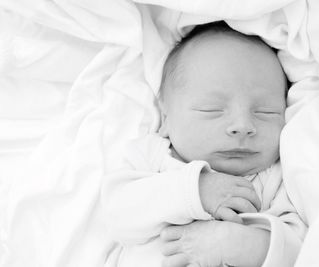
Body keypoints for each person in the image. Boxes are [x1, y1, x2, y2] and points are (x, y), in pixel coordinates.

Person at [101, 21, 306, 267]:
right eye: (212, 109)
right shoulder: (152, 158)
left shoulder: (277, 178)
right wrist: (194, 191)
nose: (242, 126)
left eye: (265, 112)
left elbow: (301, 251)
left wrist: (235, 243)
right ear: (165, 118)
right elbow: (118, 215)